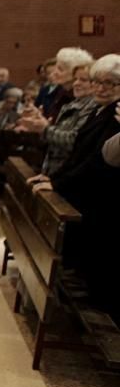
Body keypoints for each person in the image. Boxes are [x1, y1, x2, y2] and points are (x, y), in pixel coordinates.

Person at [32, 55, 120, 324]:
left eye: (111, 83)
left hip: (102, 201)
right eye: (98, 82)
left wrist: (57, 182)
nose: (102, 88)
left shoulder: (115, 115)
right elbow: (79, 155)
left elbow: (95, 161)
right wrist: (53, 178)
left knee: (98, 275)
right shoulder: (100, 110)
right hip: (86, 196)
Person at [17, 63, 97, 175]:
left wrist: (45, 129)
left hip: (68, 174)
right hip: (55, 171)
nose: (76, 83)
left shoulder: (93, 106)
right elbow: (55, 138)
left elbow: (75, 141)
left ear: (96, 84)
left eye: (83, 80)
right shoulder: (72, 104)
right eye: (76, 79)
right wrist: (41, 123)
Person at [38, 47, 94, 122]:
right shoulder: (59, 91)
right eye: (56, 67)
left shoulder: (81, 96)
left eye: (60, 69)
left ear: (74, 73)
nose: (54, 73)